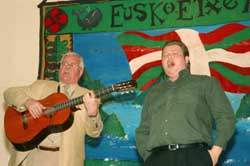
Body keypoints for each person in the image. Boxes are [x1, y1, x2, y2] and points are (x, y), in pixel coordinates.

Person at [135, 40, 236, 166]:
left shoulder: (205, 83)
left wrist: (215, 152)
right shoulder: (153, 93)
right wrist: (149, 158)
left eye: (175, 53)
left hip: (194, 156)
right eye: (165, 55)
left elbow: (226, 118)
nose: (169, 57)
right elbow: (143, 130)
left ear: (186, 59)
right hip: (157, 159)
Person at [3, 52, 103, 166]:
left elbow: (95, 133)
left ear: (80, 72)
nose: (66, 67)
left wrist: (93, 114)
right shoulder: (42, 86)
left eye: (72, 64)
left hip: (65, 160)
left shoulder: (88, 96)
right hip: (35, 156)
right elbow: (9, 92)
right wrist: (27, 102)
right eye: (64, 64)